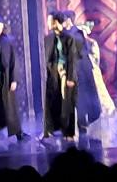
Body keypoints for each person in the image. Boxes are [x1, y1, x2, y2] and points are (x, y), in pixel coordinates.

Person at [42, 10, 79, 141]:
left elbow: (72, 59)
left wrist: (70, 77)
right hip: (53, 73)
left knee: (67, 102)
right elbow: (47, 58)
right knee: (51, 100)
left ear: (57, 22)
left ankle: (69, 132)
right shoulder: (48, 39)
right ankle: (50, 130)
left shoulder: (69, 38)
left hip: (66, 73)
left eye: (51, 21)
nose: (48, 23)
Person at [62, 11, 101, 134]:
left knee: (82, 97)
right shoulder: (69, 34)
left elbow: (75, 56)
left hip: (80, 70)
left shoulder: (75, 35)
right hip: (76, 70)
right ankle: (82, 123)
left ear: (68, 20)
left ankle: (84, 124)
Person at [78, 22, 116, 118]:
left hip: (93, 70)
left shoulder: (91, 42)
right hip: (83, 71)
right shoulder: (77, 42)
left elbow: (95, 58)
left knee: (99, 90)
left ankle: (107, 110)